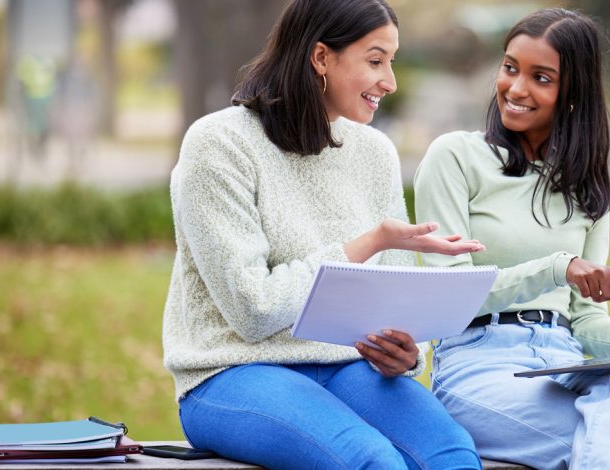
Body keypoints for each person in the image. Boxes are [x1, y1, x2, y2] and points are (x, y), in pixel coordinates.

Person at [162, 1, 484, 468]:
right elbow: (253, 310)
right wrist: (367, 243)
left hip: (347, 366)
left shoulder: (374, 151)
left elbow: (392, 297)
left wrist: (406, 352)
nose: (390, 82)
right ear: (320, 58)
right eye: (375, 61)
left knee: (452, 454)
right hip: (230, 371)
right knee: (371, 461)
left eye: (390, 62)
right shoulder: (220, 144)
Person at [414, 8, 610, 470]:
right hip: (479, 367)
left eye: (541, 77)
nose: (516, 88)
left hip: (564, 364)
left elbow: (587, 325)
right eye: (510, 67)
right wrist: (556, 267)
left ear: (573, 94)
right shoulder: (455, 157)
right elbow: (448, 296)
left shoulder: (586, 186)